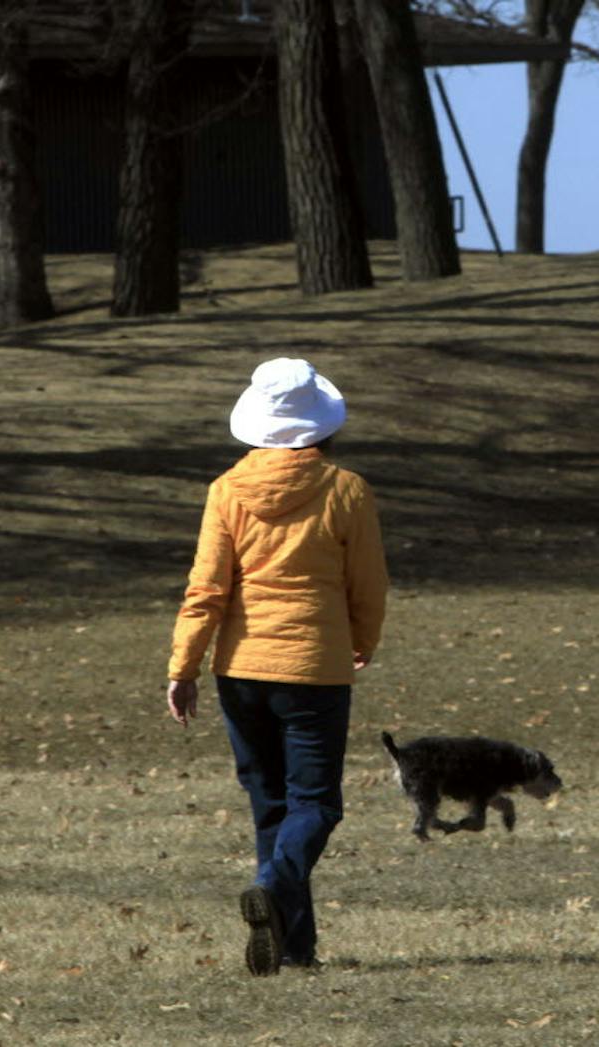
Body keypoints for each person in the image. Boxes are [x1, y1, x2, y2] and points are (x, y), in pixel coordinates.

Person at [166, 357, 388, 976]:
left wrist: (183, 666)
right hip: (315, 667)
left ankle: (293, 947)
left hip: (239, 669)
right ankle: (274, 890)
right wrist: (364, 638)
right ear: (322, 424)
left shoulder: (226, 490)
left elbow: (205, 589)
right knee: (315, 804)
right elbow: (367, 582)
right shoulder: (347, 489)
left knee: (271, 805)